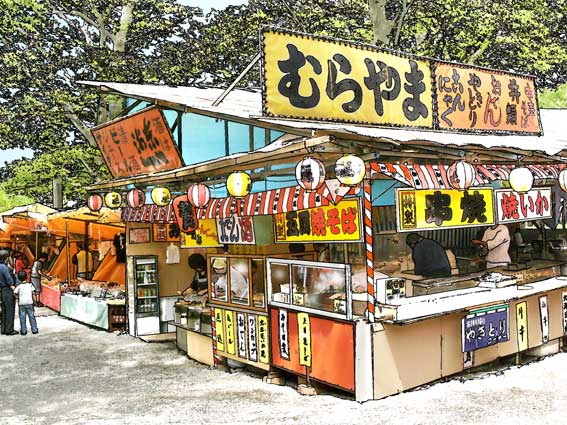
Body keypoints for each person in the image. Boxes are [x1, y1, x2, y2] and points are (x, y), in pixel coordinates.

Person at [13, 271, 38, 335]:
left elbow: (15, 293)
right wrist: (35, 302)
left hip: (22, 304)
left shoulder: (19, 286)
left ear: (18, 278)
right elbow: (33, 294)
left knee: (22, 317)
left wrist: (18, 297)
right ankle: (34, 329)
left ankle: (23, 331)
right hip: (30, 303)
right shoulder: (30, 285)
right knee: (32, 316)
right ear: (27, 277)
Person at [0, 249, 18, 335]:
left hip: (2, 290)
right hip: (8, 290)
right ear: (6, 258)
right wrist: (14, 289)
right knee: (10, 310)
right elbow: (9, 280)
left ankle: (3, 329)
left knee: (4, 310)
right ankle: (9, 330)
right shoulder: (5, 268)